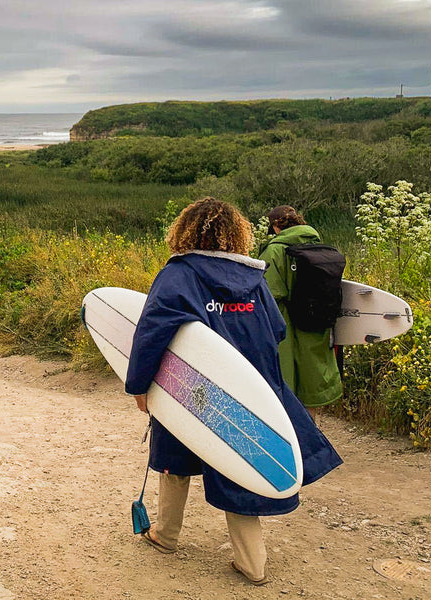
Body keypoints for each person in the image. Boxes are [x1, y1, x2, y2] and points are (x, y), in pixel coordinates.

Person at [125, 197, 342, 585]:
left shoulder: (178, 275)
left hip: (187, 386)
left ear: (186, 231)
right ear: (236, 234)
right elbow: (276, 330)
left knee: (175, 453)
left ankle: (166, 535)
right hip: (245, 388)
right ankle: (251, 563)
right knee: (241, 461)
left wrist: (140, 385)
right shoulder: (253, 278)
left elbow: (150, 334)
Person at [258, 205, 343, 422]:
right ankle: (312, 432)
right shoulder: (317, 244)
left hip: (286, 322)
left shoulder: (274, 250)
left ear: (275, 225)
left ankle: (290, 440)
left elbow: (269, 293)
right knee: (310, 380)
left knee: (286, 380)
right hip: (317, 320)